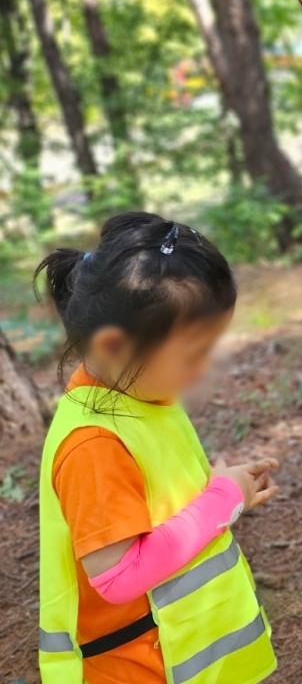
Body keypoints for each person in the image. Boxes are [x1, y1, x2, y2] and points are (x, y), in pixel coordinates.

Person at [36, 212, 278, 684]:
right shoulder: (93, 446)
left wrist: (221, 485)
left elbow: (157, 491)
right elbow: (119, 576)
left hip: (178, 653)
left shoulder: (140, 397)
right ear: (112, 347)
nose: (207, 368)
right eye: (193, 354)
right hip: (139, 666)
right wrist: (223, 500)